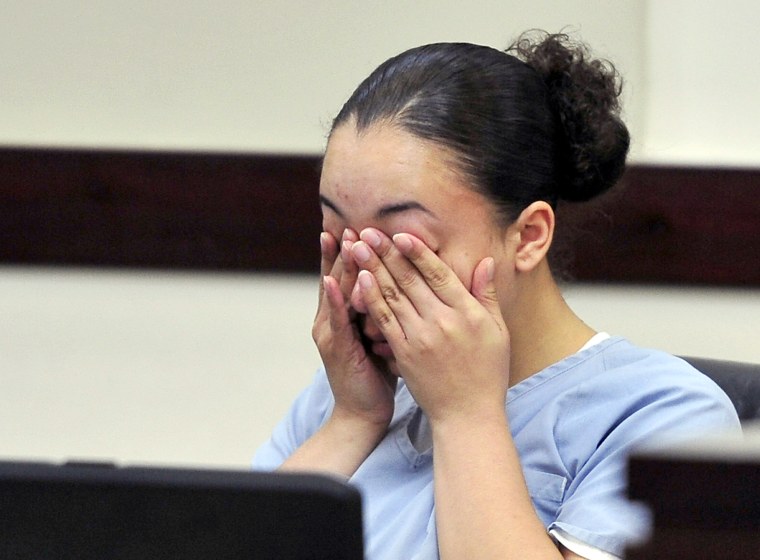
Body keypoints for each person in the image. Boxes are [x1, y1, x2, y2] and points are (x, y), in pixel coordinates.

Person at [253, 31, 741, 560]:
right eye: (341, 239)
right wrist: (352, 420)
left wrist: (464, 412)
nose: (364, 284)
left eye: (403, 246)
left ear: (529, 235)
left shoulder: (664, 416)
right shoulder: (347, 394)